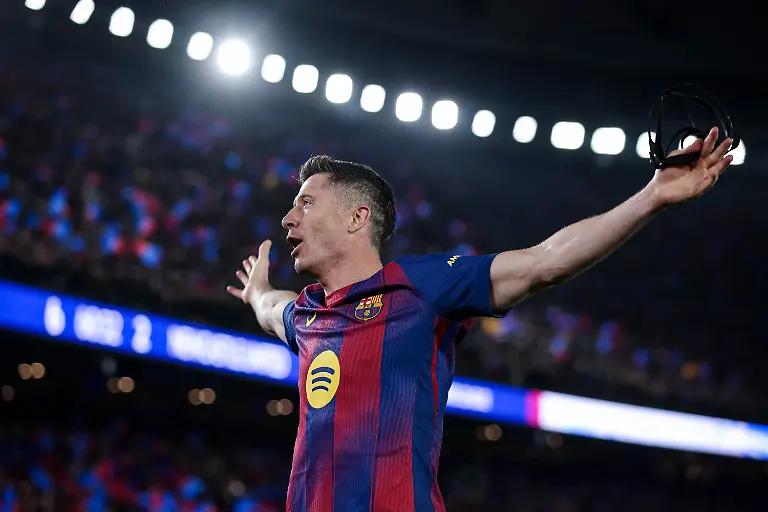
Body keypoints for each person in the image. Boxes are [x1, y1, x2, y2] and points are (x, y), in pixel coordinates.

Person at [226, 127, 733, 512]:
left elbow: (543, 263)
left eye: (306, 204)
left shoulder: (422, 286)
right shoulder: (311, 315)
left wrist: (652, 196)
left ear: (357, 218)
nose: (289, 219)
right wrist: (260, 292)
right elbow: (274, 311)